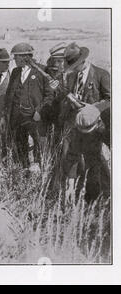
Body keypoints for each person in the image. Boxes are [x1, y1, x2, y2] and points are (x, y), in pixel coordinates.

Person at [61, 43, 110, 202]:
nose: (72, 69)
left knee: (93, 161)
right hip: (76, 125)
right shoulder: (71, 76)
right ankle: (75, 194)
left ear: (82, 62)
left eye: (74, 66)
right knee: (72, 158)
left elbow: (110, 99)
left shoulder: (101, 74)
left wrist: (93, 109)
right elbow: (68, 95)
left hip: (94, 126)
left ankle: (98, 197)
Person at [5, 42, 54, 169]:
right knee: (19, 144)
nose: (14, 60)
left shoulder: (42, 71)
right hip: (17, 118)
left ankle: (40, 169)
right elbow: (10, 95)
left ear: (25, 57)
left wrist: (39, 111)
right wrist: (8, 115)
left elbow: (49, 96)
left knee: (39, 144)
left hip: (35, 118)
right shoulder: (15, 72)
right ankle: (23, 168)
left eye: (16, 57)